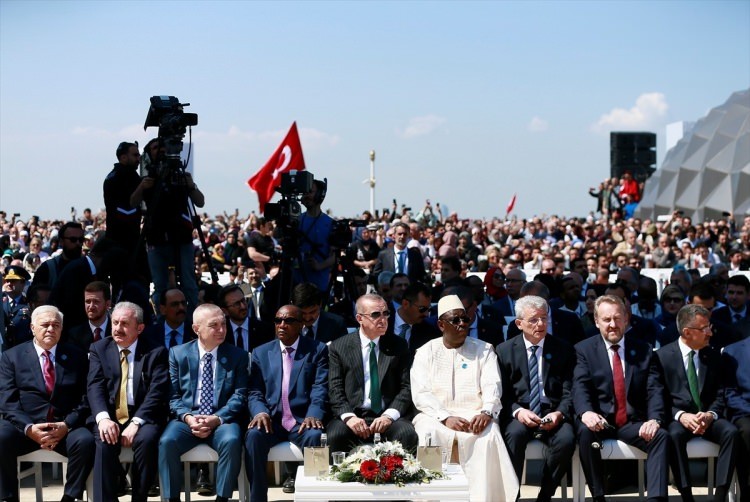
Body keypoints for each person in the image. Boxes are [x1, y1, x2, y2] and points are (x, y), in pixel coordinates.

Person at [411, 294, 518, 502]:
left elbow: (492, 385)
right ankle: (430, 498)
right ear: (441, 325)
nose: (462, 324)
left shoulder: (484, 349)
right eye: (455, 320)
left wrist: (487, 412)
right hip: (436, 416)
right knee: (428, 433)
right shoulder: (426, 352)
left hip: (476, 415)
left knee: (488, 436)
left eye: (465, 319)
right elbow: (421, 393)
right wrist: (445, 417)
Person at [573, 295, 669, 502]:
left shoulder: (644, 349)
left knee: (660, 436)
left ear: (627, 319)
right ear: (596, 321)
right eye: (606, 320)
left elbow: (654, 389)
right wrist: (586, 412)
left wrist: (655, 419)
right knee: (584, 432)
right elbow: (580, 386)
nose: (613, 325)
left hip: (632, 422)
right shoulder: (583, 350)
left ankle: (657, 499)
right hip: (600, 420)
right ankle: (598, 496)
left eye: (617, 318)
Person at [0, 305, 94, 502]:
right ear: (32, 327)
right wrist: (28, 428)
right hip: (26, 428)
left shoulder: (77, 356)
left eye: (56, 325)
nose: (51, 329)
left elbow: (87, 398)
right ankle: (7, 497)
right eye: (45, 325)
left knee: (85, 440)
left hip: (63, 427)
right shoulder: (12, 357)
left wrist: (67, 424)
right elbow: (8, 402)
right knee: (1, 436)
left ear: (61, 329)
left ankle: (70, 496)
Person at [158, 303, 249, 502]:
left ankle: (222, 498)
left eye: (223, 324)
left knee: (232, 441)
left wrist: (216, 418)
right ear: (196, 329)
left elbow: (240, 395)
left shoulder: (238, 356)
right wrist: (189, 418)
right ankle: (171, 499)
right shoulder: (178, 353)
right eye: (214, 325)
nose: (221, 330)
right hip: (187, 419)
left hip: (221, 418)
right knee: (167, 442)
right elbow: (173, 397)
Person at [653, 304, 739, 502]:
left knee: (731, 432)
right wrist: (681, 416)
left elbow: (721, 393)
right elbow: (658, 397)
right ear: (687, 332)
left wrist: (711, 414)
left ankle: (720, 495)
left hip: (707, 417)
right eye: (704, 328)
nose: (710, 332)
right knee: (673, 435)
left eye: (709, 326)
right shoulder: (661, 357)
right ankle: (686, 495)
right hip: (679, 419)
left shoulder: (714, 355)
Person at [496, 295, 576, 502]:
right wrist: (518, 411)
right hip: (520, 414)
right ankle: (512, 495)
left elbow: (570, 390)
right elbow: (501, 394)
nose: (540, 324)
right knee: (513, 436)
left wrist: (559, 414)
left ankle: (545, 495)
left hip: (553, 412)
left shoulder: (563, 349)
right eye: (533, 319)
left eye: (544, 318)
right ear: (519, 323)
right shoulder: (504, 351)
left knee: (567, 439)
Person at [87, 302, 169, 502]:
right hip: (111, 414)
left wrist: (136, 422)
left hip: (143, 415)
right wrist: (103, 419)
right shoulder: (100, 348)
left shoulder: (156, 351)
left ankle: (139, 497)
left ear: (139, 328)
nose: (117, 328)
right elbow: (94, 386)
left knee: (147, 440)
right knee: (104, 441)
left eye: (124, 324)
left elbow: (157, 392)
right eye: (115, 322)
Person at [245, 305, 329, 500]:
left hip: (302, 420)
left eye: (289, 321)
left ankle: (316, 497)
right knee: (253, 436)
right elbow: (255, 391)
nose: (282, 325)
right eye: (278, 321)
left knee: (316, 436)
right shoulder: (261, 352)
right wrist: (259, 412)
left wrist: (313, 415)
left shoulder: (317, 350)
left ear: (301, 325)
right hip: (271, 420)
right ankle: (257, 498)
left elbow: (320, 387)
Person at [327, 294, 418, 454]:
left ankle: (401, 478)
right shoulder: (339, 347)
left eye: (386, 314)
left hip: (386, 414)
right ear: (359, 318)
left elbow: (406, 387)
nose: (383, 319)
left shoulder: (398, 345)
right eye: (376, 314)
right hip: (353, 413)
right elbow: (335, 389)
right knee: (335, 435)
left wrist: (389, 416)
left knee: (406, 433)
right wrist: (349, 417)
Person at [132, 137, 205, 311]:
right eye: (156, 147)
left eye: (163, 146)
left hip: (182, 236)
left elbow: (200, 202)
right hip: (156, 237)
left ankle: (191, 317)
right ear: (149, 154)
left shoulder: (180, 175)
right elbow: (133, 203)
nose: (161, 150)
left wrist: (191, 186)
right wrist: (142, 187)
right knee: (160, 285)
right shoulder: (148, 177)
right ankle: (161, 318)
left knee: (188, 282)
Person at [103, 141, 149, 285]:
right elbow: (127, 207)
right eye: (135, 155)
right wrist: (142, 187)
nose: (138, 159)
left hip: (134, 239)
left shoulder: (133, 176)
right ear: (123, 157)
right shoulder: (115, 178)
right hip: (120, 240)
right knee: (122, 282)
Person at [294, 179, 336, 292]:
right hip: (297, 286)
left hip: (319, 286)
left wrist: (319, 266)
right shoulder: (296, 221)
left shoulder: (330, 224)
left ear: (320, 195)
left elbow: (334, 256)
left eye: (310, 192)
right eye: (305, 192)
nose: (306, 195)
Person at [722, 336, 750, 502]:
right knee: (747, 431)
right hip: (744, 411)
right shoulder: (732, 351)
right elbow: (729, 393)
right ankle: (746, 490)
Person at [387, 282, 439, 353]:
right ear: (405, 304)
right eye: (422, 309)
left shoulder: (428, 331)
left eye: (428, 309)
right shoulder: (384, 322)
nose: (426, 314)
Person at [30, 222, 84, 290]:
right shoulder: (47, 268)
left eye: (81, 240)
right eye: (73, 239)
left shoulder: (90, 267)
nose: (78, 243)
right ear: (61, 241)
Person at [218, 284, 273, 351]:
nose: (243, 306)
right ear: (225, 311)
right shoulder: (219, 332)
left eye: (243, 300)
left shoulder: (265, 330)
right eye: (236, 304)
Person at [66, 281, 112, 350]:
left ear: (108, 304)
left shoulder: (117, 331)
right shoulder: (75, 334)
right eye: (88, 301)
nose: (91, 306)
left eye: (96, 301)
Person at [1, 265, 31, 348]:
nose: (9, 283)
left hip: (22, 348)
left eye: (13, 280)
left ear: (23, 283)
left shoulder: (29, 303)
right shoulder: (1, 302)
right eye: (7, 281)